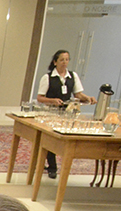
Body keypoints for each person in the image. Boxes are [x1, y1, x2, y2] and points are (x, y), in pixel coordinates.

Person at [37, 49, 97, 179]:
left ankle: (58, 164)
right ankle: (52, 167)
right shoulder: (47, 78)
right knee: (50, 140)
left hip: (67, 112)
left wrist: (87, 98)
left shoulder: (72, 76)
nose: (64, 62)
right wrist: (52, 101)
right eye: (62, 60)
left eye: (67, 59)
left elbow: (78, 94)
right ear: (55, 62)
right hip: (51, 112)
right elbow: (40, 98)